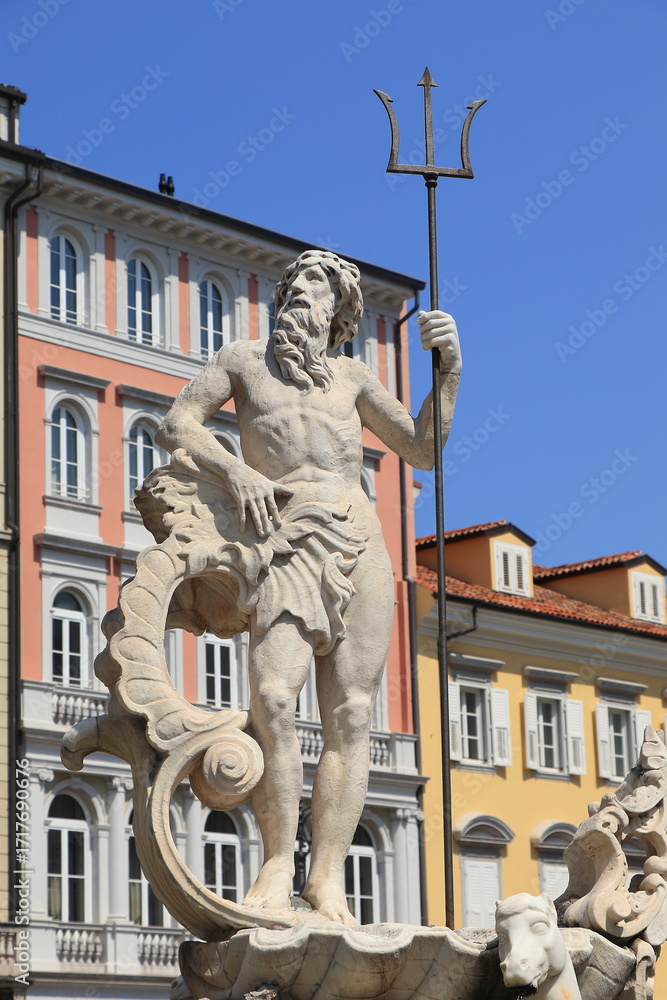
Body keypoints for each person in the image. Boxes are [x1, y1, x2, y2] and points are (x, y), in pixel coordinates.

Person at [156, 250, 461, 923]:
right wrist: (236, 471)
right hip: (283, 539)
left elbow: (422, 449)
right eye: (295, 280)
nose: (300, 288)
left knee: (350, 716)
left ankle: (325, 880)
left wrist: (449, 375)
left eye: (317, 282)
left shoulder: (353, 377)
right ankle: (274, 863)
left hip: (359, 541)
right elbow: (177, 422)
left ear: (340, 310)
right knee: (270, 696)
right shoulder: (241, 361)